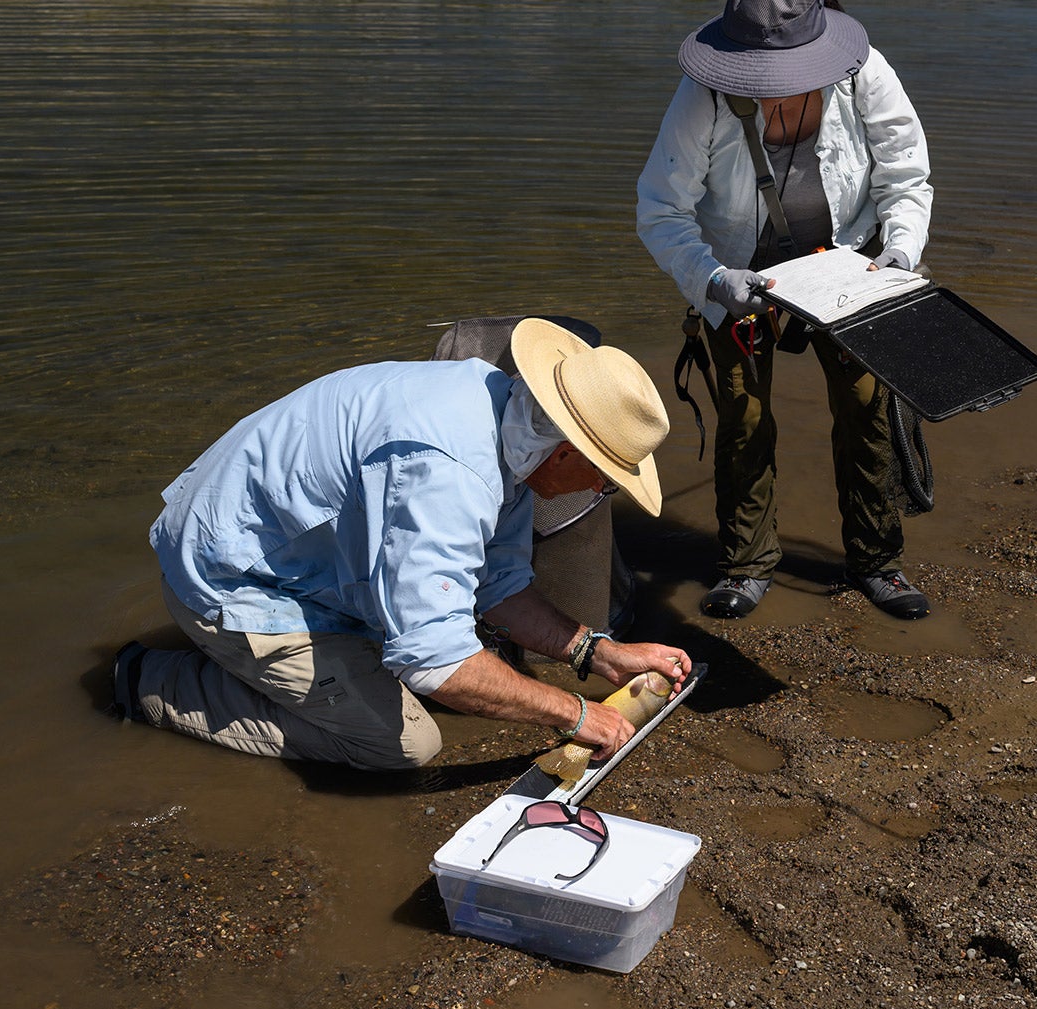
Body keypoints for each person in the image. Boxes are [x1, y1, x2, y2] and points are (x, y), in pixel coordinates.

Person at [112, 318, 692, 770]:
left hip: (291, 551)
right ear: (566, 452)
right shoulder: (450, 473)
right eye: (606, 476)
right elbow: (435, 663)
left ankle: (295, 667)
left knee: (449, 665)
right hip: (232, 578)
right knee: (405, 745)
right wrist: (576, 713)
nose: (600, 489)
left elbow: (498, 585)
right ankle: (155, 684)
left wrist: (600, 653)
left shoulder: (507, 416)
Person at [637, 0, 934, 620]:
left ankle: (876, 561)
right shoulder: (705, 96)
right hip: (741, 277)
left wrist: (900, 257)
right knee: (743, 417)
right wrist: (714, 280)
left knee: (866, 410)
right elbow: (661, 210)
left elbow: (905, 176)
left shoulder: (862, 72)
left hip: (854, 264)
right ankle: (745, 565)